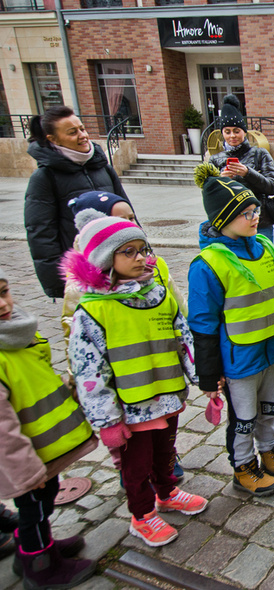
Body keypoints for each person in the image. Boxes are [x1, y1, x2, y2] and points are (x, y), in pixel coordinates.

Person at [64, 211, 208, 548]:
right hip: (129, 410)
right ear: (104, 259)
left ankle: (167, 491)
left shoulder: (158, 294)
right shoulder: (93, 311)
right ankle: (141, 515)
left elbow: (183, 338)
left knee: (165, 453)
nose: (141, 257)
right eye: (128, 251)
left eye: (143, 249)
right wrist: (106, 420)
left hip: (167, 397)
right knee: (136, 466)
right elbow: (89, 372)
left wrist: (203, 378)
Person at [188, 163, 274, 497]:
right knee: (244, 417)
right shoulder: (208, 264)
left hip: (269, 350)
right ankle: (243, 466)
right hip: (238, 359)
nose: (255, 217)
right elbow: (203, 325)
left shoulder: (265, 247)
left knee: (269, 407)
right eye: (246, 213)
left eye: (255, 210)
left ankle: (270, 452)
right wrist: (209, 374)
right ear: (223, 219)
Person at [61, 190, 187, 484]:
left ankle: (165, 487)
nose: (132, 224)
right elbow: (83, 357)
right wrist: (104, 416)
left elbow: (177, 315)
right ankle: (141, 505)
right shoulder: (87, 299)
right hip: (126, 398)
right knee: (134, 459)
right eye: (121, 220)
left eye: (132, 218)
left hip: (162, 384)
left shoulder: (152, 270)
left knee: (163, 445)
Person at [0, 266, 98, 587]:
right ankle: (40, 567)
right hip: (24, 463)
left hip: (41, 449)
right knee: (33, 511)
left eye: (3, 292)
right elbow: (3, 432)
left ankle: (34, 551)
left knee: (45, 501)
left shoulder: (16, 334)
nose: (3, 304)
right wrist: (26, 474)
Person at [24, 105, 132, 299]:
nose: (82, 135)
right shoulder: (45, 177)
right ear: (53, 139)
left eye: (82, 128)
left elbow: (127, 212)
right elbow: (41, 233)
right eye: (73, 132)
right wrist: (58, 283)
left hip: (120, 262)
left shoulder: (102, 167)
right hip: (84, 270)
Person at [208, 95, 274, 241]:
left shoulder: (259, 154)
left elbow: (272, 186)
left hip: (259, 222)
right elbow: (209, 196)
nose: (232, 136)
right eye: (227, 132)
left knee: (263, 260)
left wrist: (248, 173)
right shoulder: (215, 159)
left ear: (244, 132)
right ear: (222, 133)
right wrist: (221, 181)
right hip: (230, 224)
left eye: (236, 131)